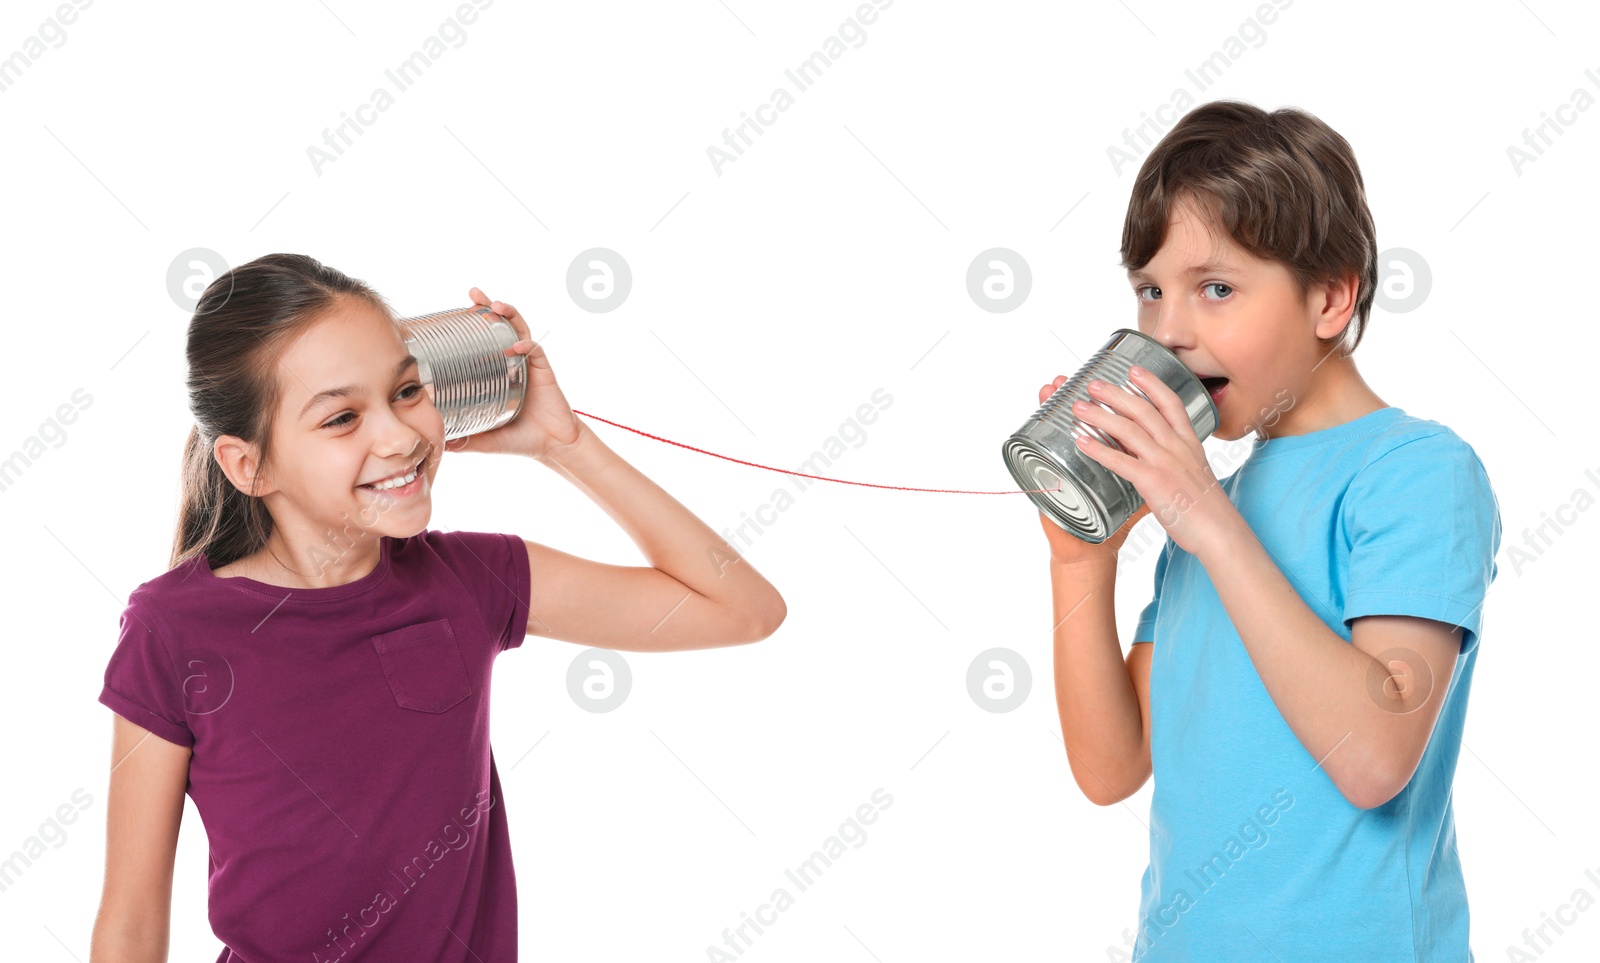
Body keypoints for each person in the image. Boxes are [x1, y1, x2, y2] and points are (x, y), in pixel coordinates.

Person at [89, 254, 786, 962]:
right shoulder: (172, 630)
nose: (399, 436)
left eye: (408, 390)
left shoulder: (474, 580)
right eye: (341, 417)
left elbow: (742, 607)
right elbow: (132, 926)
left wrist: (565, 446)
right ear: (249, 465)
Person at [1041, 101, 1501, 961]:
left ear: (1330, 296)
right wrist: (1081, 562)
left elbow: (1373, 758)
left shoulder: (1416, 472)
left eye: (1216, 288)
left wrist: (1207, 520)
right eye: (1150, 290)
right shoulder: (1208, 509)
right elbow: (1112, 768)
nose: (1169, 331)